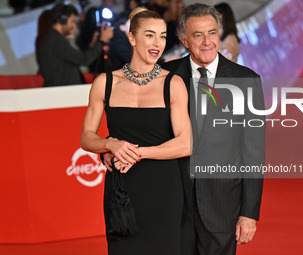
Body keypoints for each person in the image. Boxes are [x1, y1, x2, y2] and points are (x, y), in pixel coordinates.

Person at [104, 3, 265, 255]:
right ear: (183, 39)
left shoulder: (246, 81)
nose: (207, 42)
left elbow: (253, 153)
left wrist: (248, 213)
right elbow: (142, 122)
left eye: (212, 33)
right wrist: (109, 144)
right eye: (197, 35)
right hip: (172, 205)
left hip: (222, 206)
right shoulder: (165, 75)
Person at [80, 7, 191, 255]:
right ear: (132, 38)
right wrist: (110, 144)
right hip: (123, 190)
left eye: (163, 36)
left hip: (164, 188)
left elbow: (185, 144)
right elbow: (86, 137)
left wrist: (138, 152)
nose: (158, 43)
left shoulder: (172, 84)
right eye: (150, 35)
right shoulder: (105, 83)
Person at [38, 3, 113, 87]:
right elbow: (84, 59)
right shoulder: (55, 40)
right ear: (62, 20)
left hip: (63, 91)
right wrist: (101, 41)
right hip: (63, 92)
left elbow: (77, 58)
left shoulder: (53, 39)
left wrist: (93, 44)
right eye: (72, 22)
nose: (74, 26)